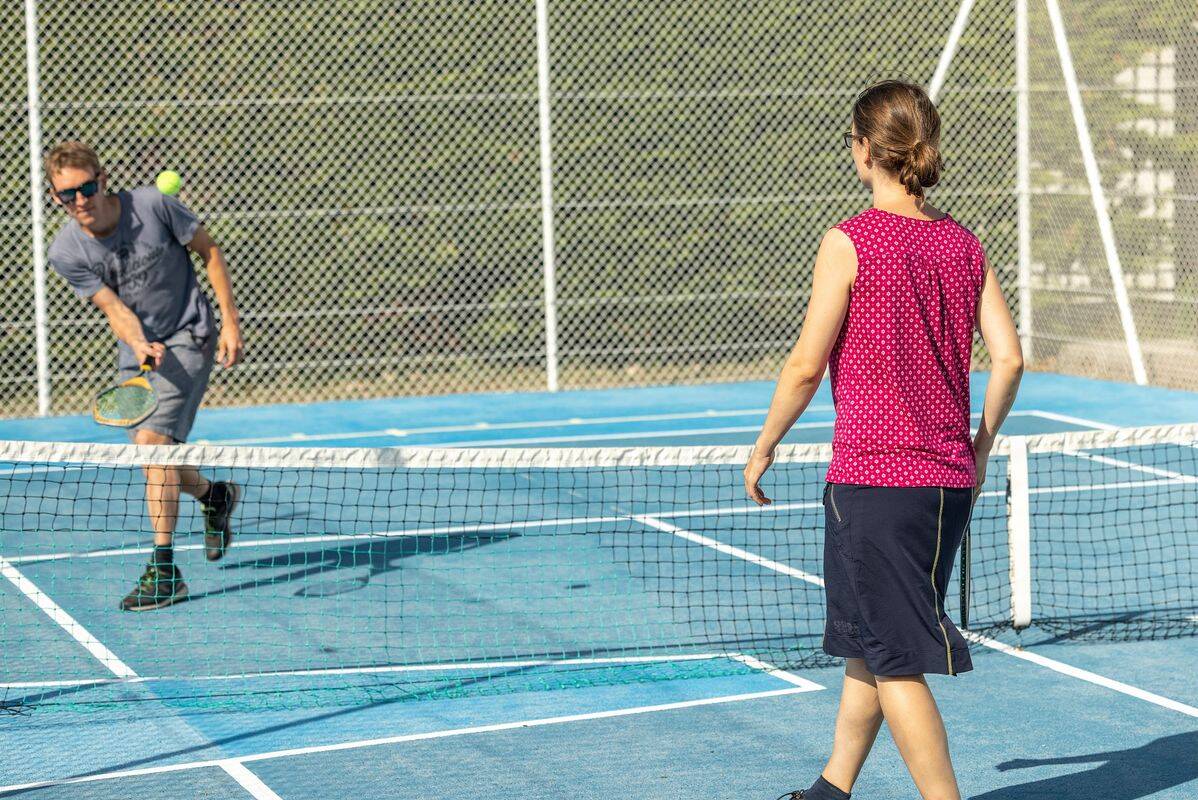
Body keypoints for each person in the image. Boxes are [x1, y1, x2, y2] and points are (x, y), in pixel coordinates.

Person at [744, 81, 1023, 800]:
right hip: (944, 487)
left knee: (894, 658)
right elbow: (1011, 358)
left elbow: (807, 364)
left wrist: (765, 443)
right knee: (875, 639)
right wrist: (982, 446)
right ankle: (832, 789)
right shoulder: (963, 243)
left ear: (865, 151)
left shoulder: (848, 241)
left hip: (874, 485)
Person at [45, 141, 246, 611]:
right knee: (152, 454)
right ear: (57, 198)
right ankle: (213, 496)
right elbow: (112, 307)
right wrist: (137, 344)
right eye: (67, 195)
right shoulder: (66, 250)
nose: (80, 201)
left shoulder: (155, 206)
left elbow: (210, 251)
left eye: (87, 188)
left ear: (103, 180)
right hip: (138, 348)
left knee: (153, 446)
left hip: (189, 335)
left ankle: (164, 569)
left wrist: (230, 322)